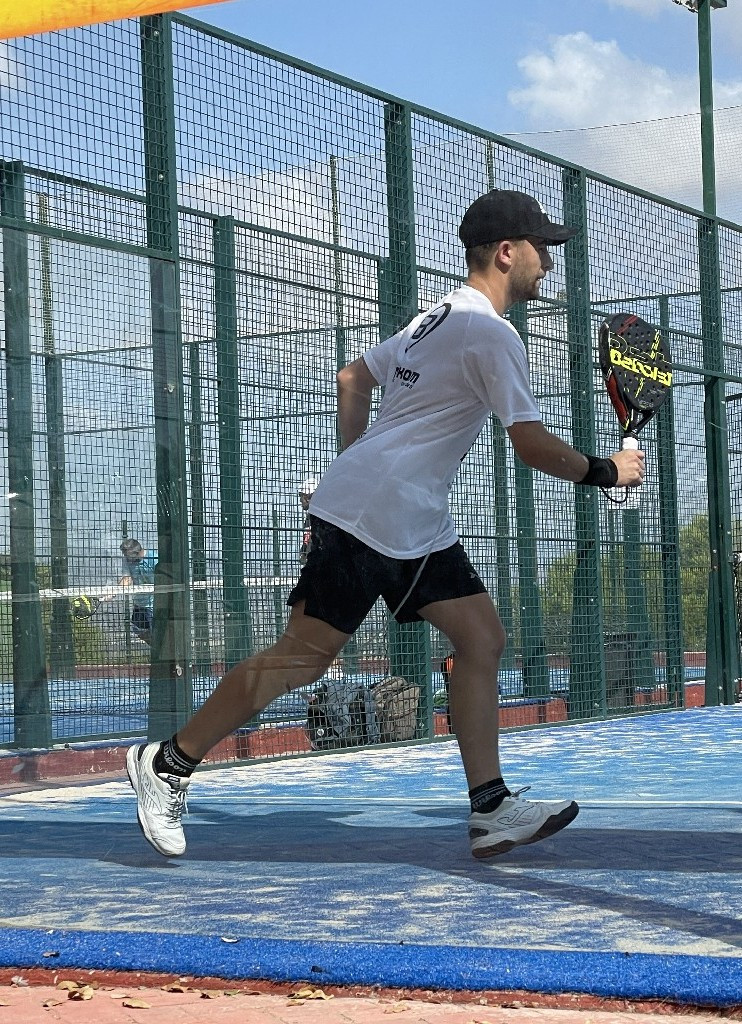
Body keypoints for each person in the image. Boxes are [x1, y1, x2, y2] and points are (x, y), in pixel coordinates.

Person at [127, 189, 644, 860]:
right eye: (542, 248)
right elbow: (529, 443)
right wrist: (607, 471)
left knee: (481, 638)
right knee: (302, 659)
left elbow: (352, 379)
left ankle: (491, 807)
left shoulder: (436, 317)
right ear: (506, 253)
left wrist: (356, 465)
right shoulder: (491, 333)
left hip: (409, 517)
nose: (548, 261)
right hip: (376, 515)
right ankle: (167, 763)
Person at [119, 539, 156, 645]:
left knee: (157, 632)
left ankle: (160, 648)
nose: (127, 559)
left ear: (138, 552)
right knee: (138, 629)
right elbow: (126, 578)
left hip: (154, 604)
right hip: (139, 603)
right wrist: (113, 591)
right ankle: (155, 646)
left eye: (129, 556)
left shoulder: (153, 558)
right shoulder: (126, 560)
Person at [298, 477, 319, 567]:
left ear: (308, 497)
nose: (300, 500)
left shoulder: (316, 516)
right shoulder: (311, 516)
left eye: (301, 496)